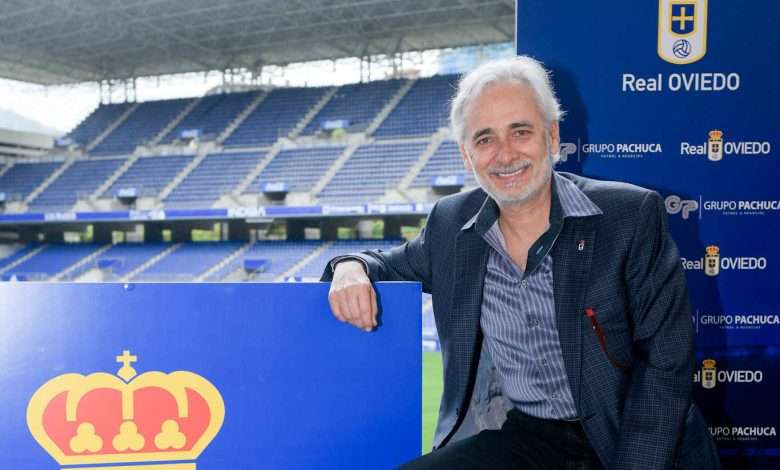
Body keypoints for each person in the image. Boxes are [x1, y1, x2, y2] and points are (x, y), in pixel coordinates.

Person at [323, 56, 720, 469]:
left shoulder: (629, 216)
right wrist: (350, 266)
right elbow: (382, 263)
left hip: (632, 433)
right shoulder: (451, 224)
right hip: (532, 439)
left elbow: (665, 366)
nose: (505, 154)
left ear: (552, 136)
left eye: (521, 131)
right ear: (466, 155)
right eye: (485, 139)